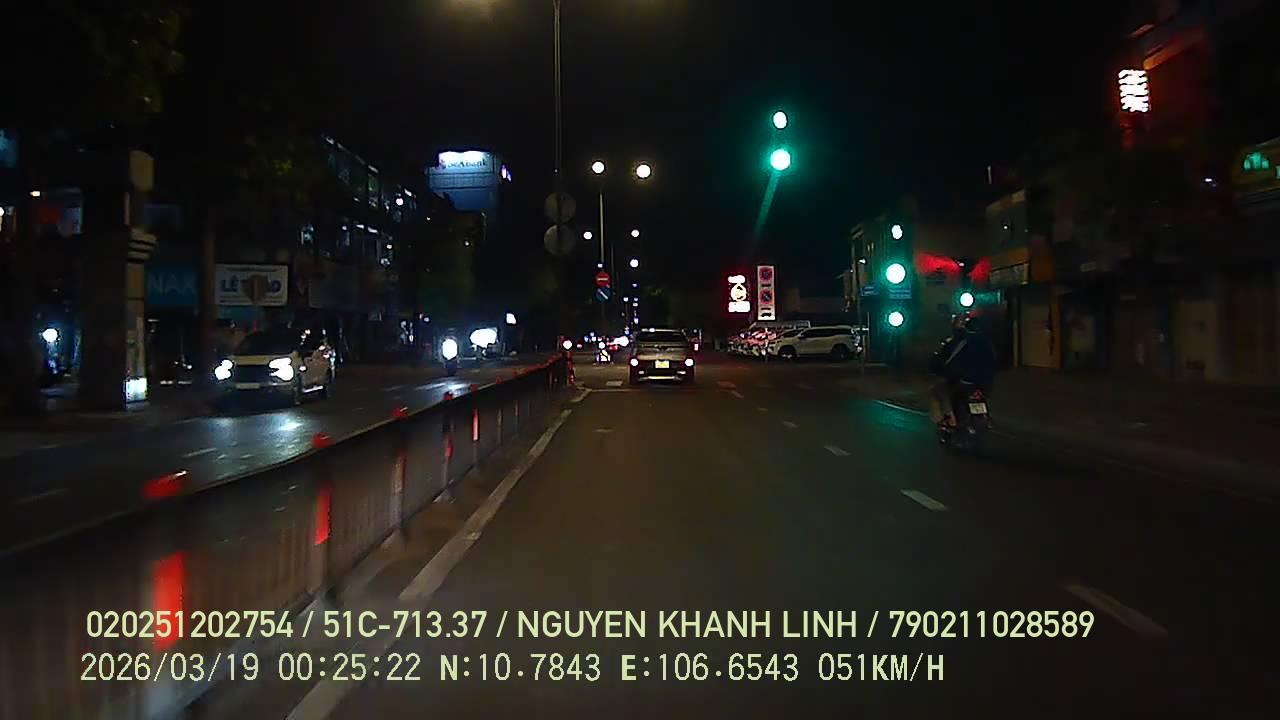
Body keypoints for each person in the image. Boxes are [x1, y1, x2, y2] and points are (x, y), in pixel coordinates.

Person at [929, 314, 996, 427]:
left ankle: (951, 419)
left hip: (968, 380)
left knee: (945, 392)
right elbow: (994, 360)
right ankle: (982, 416)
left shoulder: (964, 342)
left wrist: (944, 370)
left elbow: (953, 360)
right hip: (986, 382)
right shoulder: (987, 342)